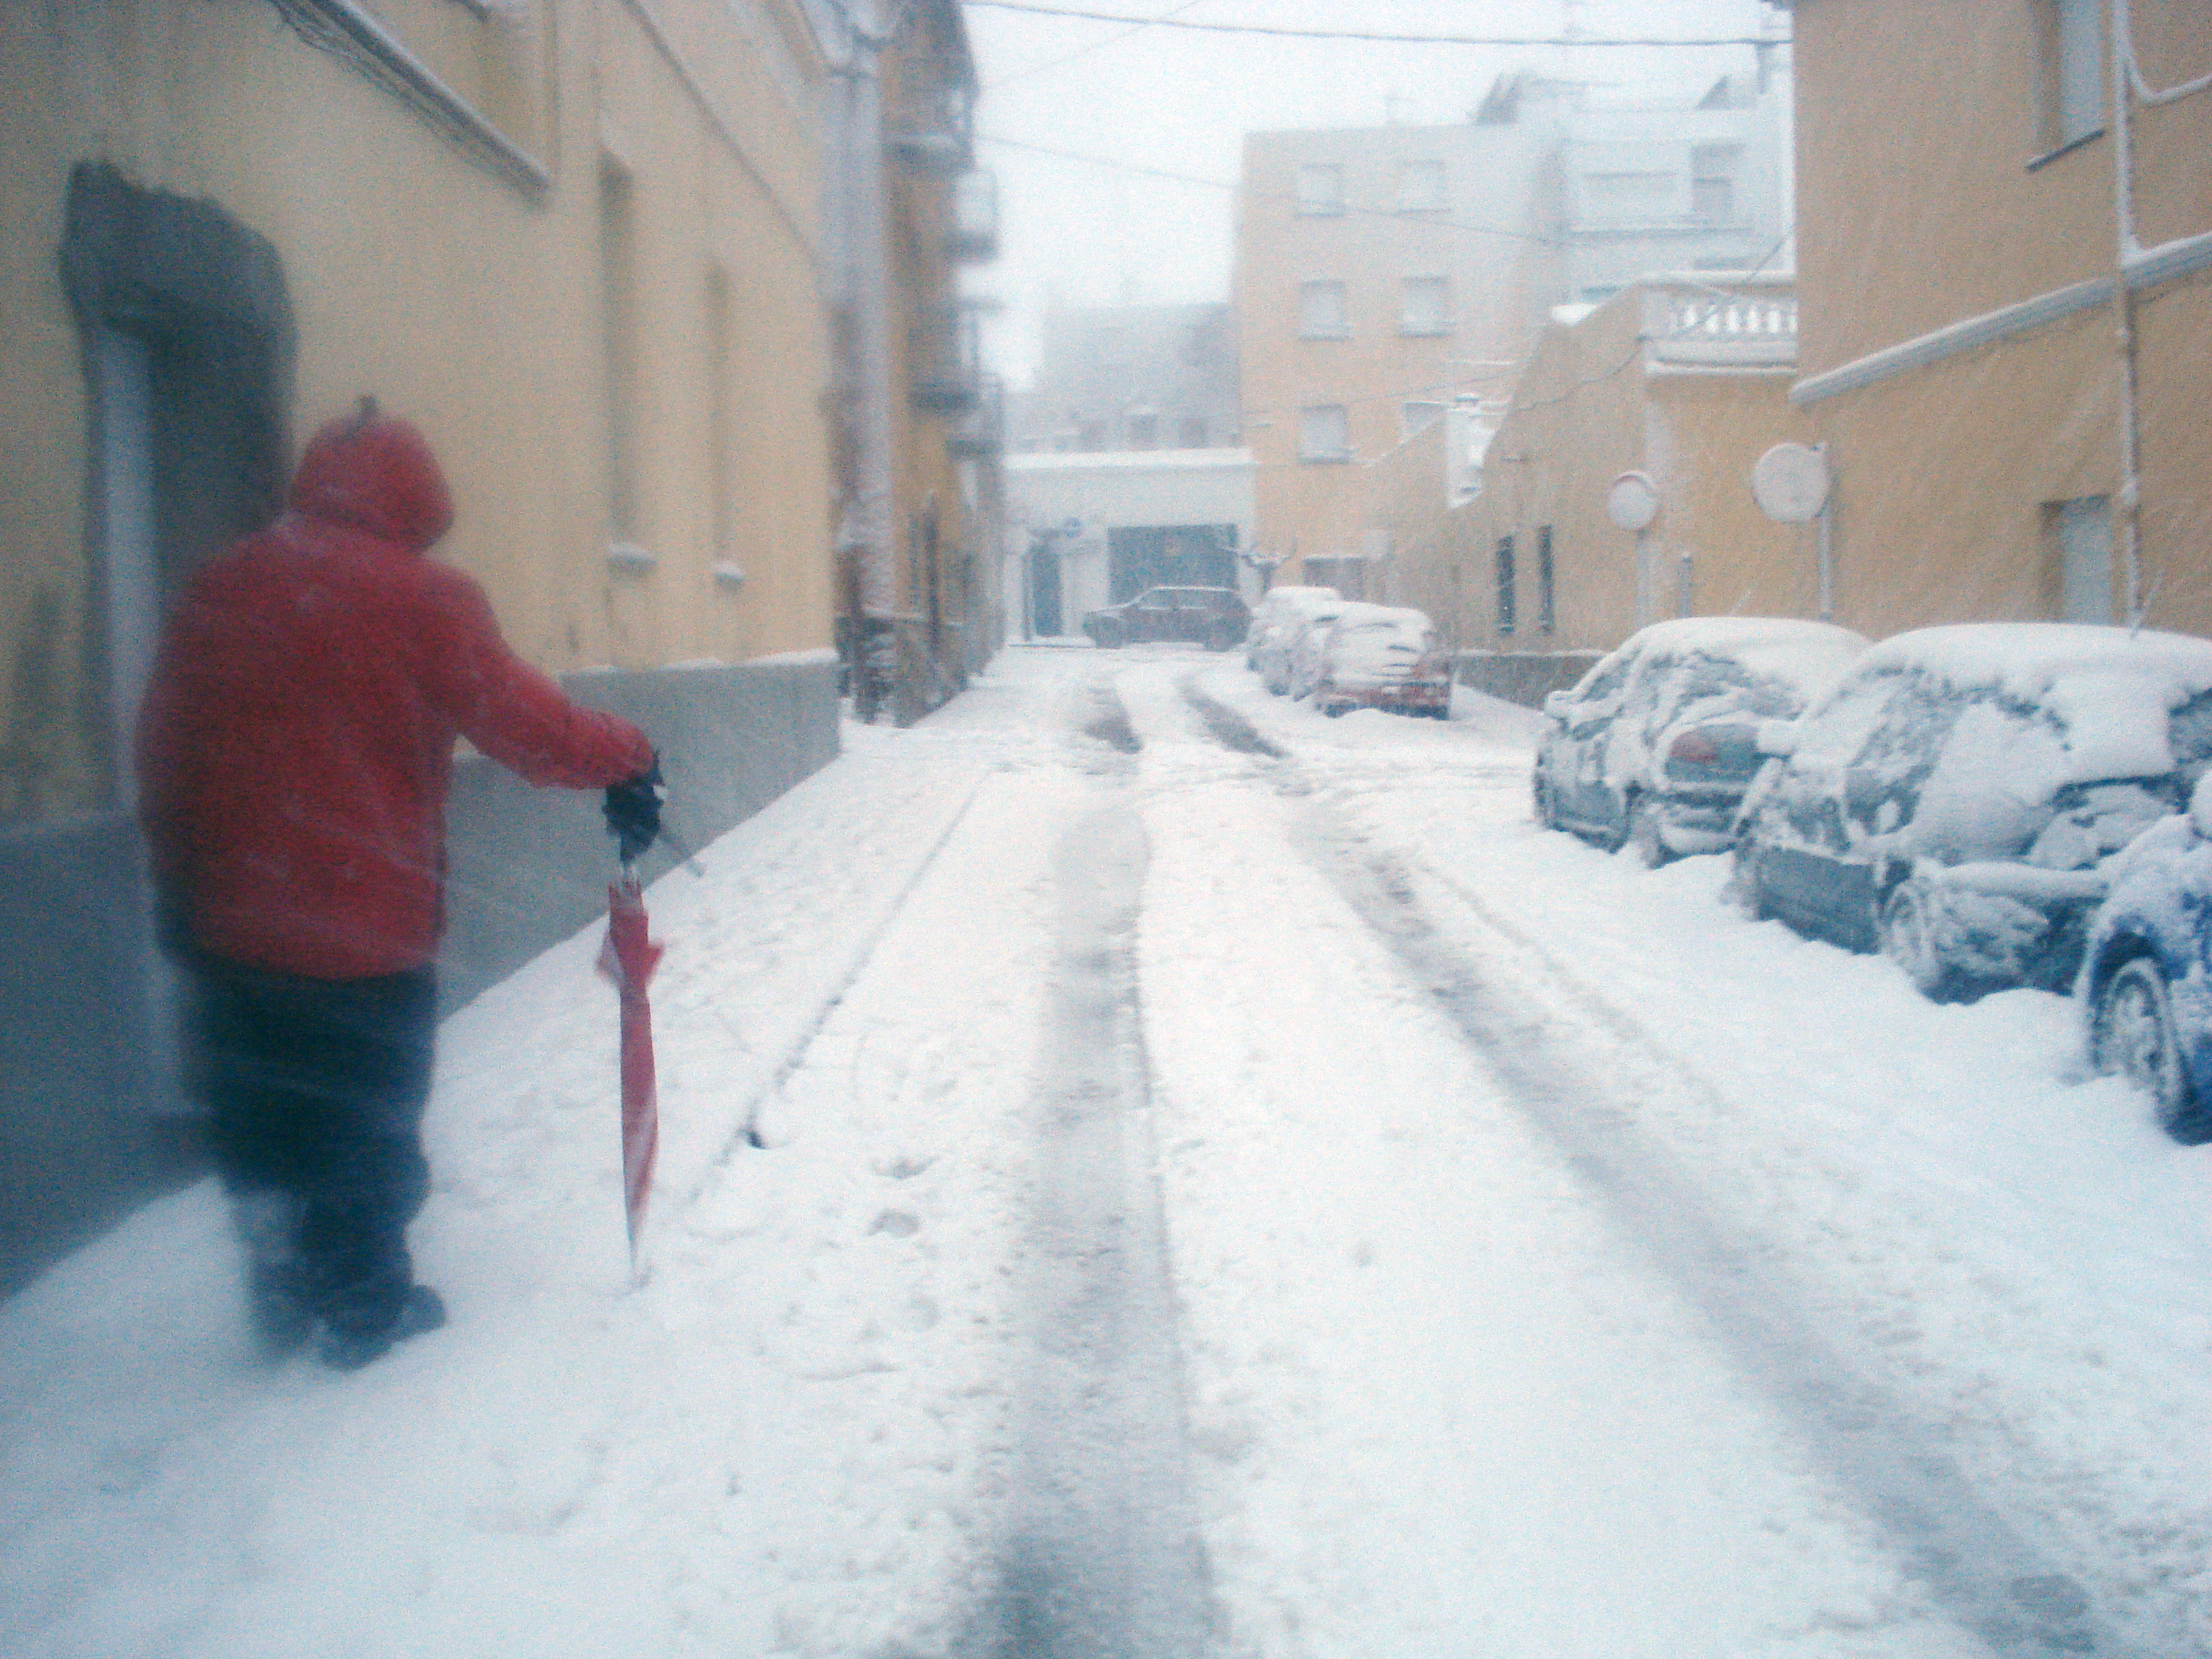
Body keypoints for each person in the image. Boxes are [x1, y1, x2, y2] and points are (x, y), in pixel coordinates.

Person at [138, 398, 666, 1370]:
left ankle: (277, 1267)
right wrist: (628, 753)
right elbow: (529, 729)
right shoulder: (425, 599)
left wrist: (179, 889)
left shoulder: (222, 583)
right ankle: (363, 1303)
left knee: (261, 1112)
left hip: (234, 932)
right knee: (366, 1127)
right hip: (364, 937)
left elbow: (166, 749)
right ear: (417, 503)